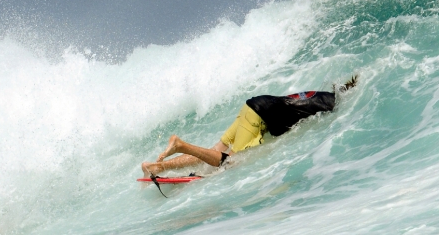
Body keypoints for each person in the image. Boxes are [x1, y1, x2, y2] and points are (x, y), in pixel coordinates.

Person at [141, 75, 358, 176]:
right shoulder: (333, 104)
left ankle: (158, 166)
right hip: (259, 116)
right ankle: (180, 145)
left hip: (252, 106)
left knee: (215, 151)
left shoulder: (322, 96)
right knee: (230, 161)